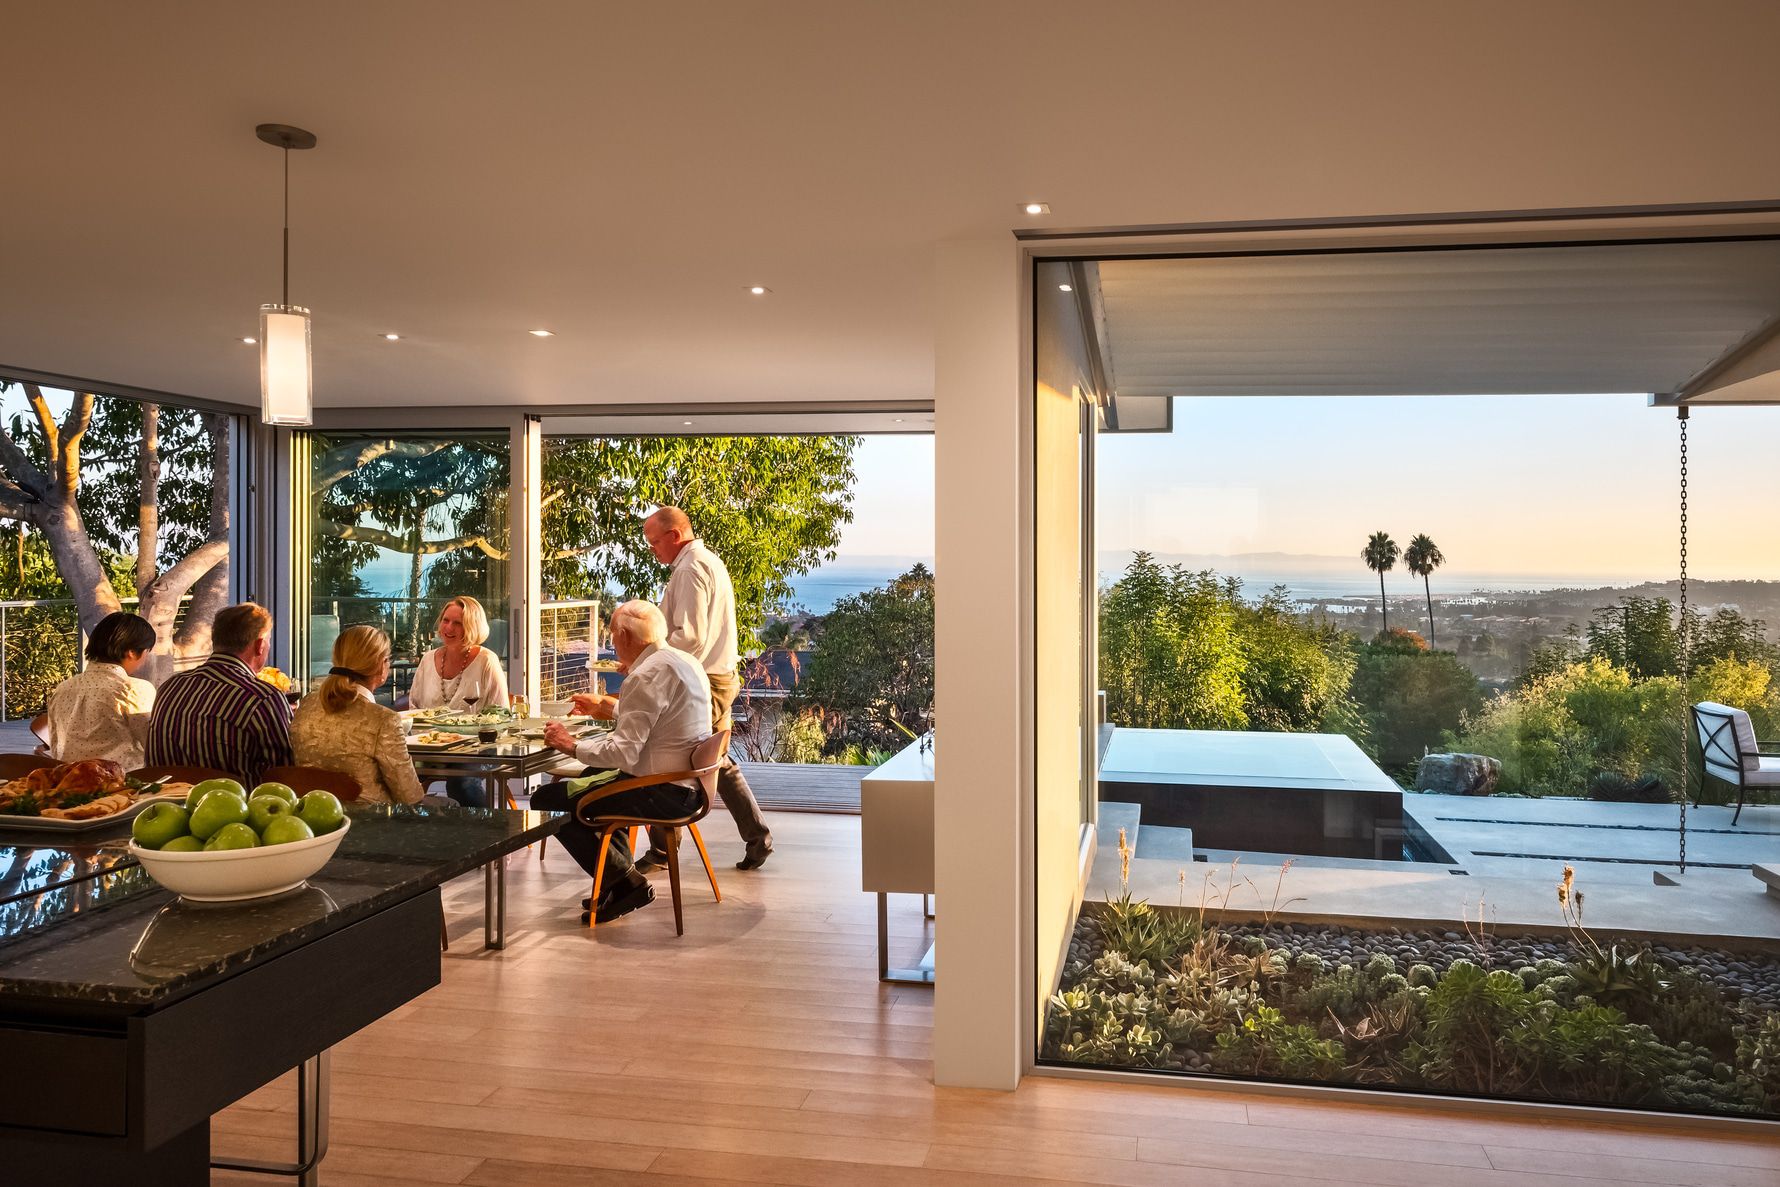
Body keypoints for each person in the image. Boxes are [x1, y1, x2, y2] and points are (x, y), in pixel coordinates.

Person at [575, 506, 773, 870]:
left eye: (654, 542)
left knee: (670, 753)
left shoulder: (691, 568)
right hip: (719, 675)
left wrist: (647, 660)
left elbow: (691, 637)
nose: (653, 550)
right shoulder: (707, 561)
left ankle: (666, 849)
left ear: (675, 535)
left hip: (705, 678)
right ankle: (756, 837)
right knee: (714, 760)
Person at [540, 601, 712, 924]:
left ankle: (626, 882)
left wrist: (570, 745)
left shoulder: (645, 675)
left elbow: (623, 754)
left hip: (661, 792)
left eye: (612, 636)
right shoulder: (684, 662)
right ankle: (617, 882)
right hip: (688, 785)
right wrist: (605, 706)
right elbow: (657, 720)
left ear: (625, 636)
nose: (612, 643)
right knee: (595, 777)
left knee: (548, 802)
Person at [145, 602, 292, 787]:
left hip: (167, 805)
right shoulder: (262, 698)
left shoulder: (169, 687)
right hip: (235, 811)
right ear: (260, 645)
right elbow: (286, 773)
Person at [291, 625, 428, 805]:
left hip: (315, 819)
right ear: (381, 665)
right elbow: (410, 796)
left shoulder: (307, 705)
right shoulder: (383, 720)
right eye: (388, 659)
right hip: (372, 824)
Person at [407, 595, 509, 807]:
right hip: (433, 745)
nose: (448, 628)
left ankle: (488, 833)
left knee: (461, 783)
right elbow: (414, 706)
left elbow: (501, 713)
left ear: (472, 627)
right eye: (446, 620)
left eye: (458, 623)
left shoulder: (486, 660)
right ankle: (422, 836)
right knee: (395, 777)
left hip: (476, 746)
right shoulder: (428, 659)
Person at [44, 611, 158, 769]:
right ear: (131, 652)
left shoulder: (63, 688)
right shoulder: (133, 689)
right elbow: (154, 745)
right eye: (147, 652)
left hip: (69, 781)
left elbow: (55, 745)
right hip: (123, 784)